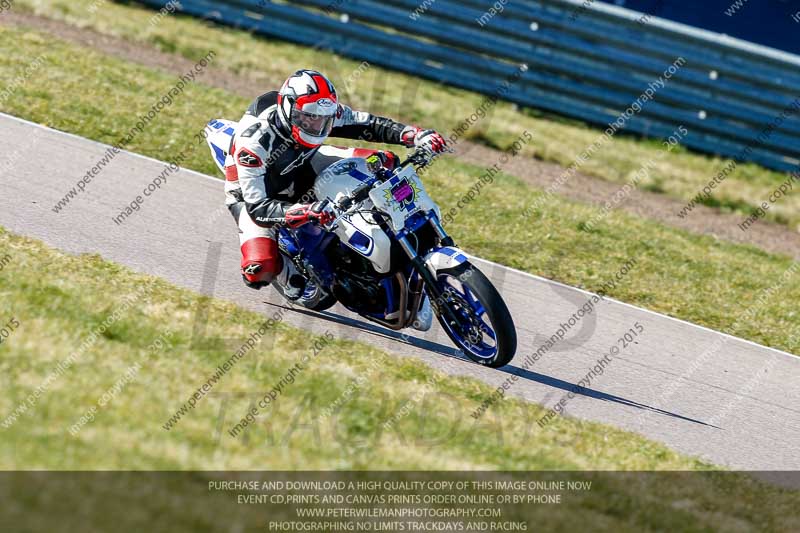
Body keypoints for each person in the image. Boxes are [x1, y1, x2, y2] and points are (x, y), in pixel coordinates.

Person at [224, 69, 447, 298]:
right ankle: (288, 278)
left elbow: (368, 124)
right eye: (308, 116)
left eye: (323, 118)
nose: (316, 123)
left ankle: (384, 234)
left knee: (384, 161)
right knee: (260, 267)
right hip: (254, 194)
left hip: (304, 162)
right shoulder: (254, 143)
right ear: (287, 108)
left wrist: (414, 135)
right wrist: (304, 210)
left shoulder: (323, 110)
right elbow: (258, 208)